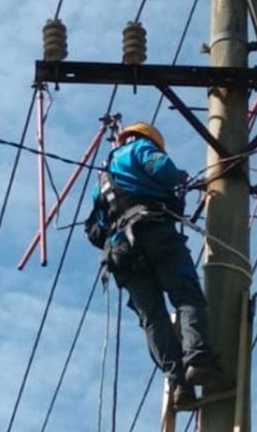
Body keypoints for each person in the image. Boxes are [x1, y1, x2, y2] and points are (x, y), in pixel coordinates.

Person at [85, 122, 221, 406]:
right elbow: (163, 170)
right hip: (154, 233)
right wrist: (177, 178)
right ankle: (197, 359)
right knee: (186, 295)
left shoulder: (101, 182)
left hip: (120, 253)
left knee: (153, 317)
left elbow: (95, 230)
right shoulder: (139, 147)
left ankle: (178, 382)